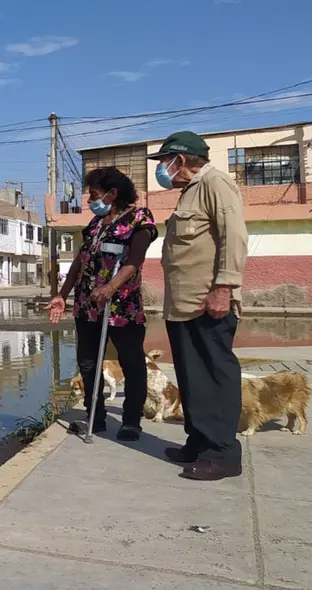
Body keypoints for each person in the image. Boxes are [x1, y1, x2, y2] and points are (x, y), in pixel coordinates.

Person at [148, 131, 248, 481]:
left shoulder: (216, 183)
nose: (162, 169)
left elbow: (233, 236)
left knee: (214, 376)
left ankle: (222, 455)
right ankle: (199, 443)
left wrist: (224, 286)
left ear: (182, 159)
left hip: (209, 301)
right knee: (193, 377)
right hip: (183, 304)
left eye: (165, 162)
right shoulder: (190, 190)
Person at [45, 167, 158, 441]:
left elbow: (135, 260)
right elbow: (79, 263)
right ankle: (95, 417)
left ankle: (131, 421)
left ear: (112, 194)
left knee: (131, 362)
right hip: (88, 305)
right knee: (87, 362)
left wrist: (111, 287)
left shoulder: (139, 219)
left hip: (121, 307)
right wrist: (62, 294)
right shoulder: (95, 224)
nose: (88, 200)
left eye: (93, 194)